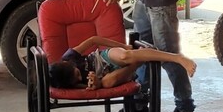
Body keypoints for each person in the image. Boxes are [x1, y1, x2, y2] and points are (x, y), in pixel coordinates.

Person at [49, 35, 196, 90]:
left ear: (68, 65)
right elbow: (97, 85)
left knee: (126, 55)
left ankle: (178, 58)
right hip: (115, 75)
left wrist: (123, 45)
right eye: (77, 80)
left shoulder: (69, 57)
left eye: (77, 74)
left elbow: (93, 40)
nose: (80, 77)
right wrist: (94, 84)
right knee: (107, 83)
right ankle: (139, 61)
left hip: (105, 57)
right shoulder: (70, 82)